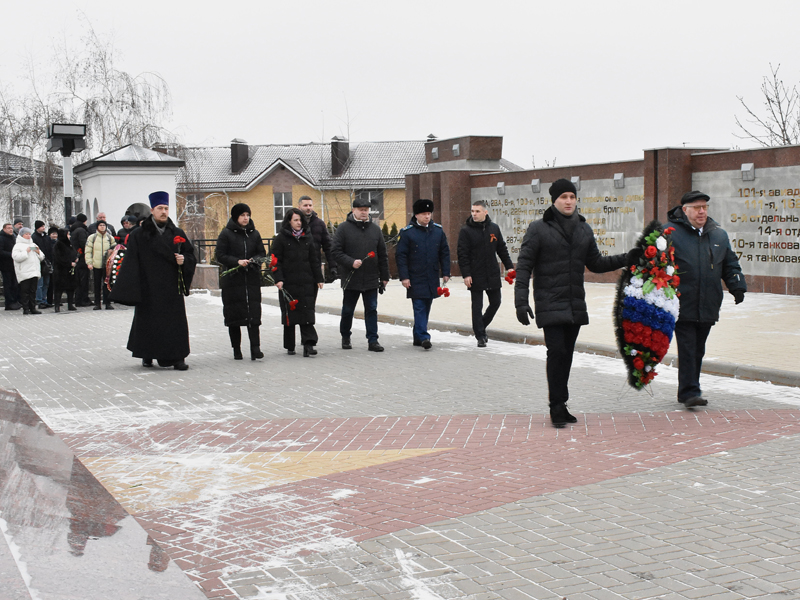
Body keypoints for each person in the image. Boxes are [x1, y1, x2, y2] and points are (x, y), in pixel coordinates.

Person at [514, 179, 639, 428]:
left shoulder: (583, 229)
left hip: (574, 303)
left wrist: (627, 258)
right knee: (557, 351)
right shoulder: (538, 229)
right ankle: (556, 407)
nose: (569, 201)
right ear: (554, 201)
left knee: (567, 355)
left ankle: (561, 403)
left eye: (572, 196)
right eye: (563, 197)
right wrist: (520, 301)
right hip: (549, 301)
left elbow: (596, 263)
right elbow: (525, 266)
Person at [668, 190, 746, 408]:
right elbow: (655, 267)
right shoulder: (669, 233)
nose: (702, 211)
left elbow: (729, 263)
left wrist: (737, 285)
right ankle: (690, 392)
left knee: (698, 348)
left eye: (704, 207)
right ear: (685, 210)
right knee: (688, 347)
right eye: (696, 208)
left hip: (708, 302)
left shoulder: (718, 235)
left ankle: (688, 390)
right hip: (681, 302)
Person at [110, 191, 197, 370]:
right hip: (149, 286)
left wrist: (184, 260)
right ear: (152, 210)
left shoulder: (177, 232)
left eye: (166, 208)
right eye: (160, 208)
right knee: (150, 322)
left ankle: (177, 357)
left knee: (174, 323)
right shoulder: (139, 235)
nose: (164, 212)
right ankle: (147, 353)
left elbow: (190, 255)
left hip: (171, 287)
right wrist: (131, 289)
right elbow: (131, 262)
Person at [331, 197, 390, 352]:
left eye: (366, 210)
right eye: (361, 210)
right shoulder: (343, 228)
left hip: (371, 278)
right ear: (354, 210)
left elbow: (382, 254)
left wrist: (384, 276)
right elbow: (335, 251)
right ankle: (345, 336)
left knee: (371, 309)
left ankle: (373, 340)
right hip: (352, 277)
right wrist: (351, 262)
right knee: (348, 310)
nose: (364, 213)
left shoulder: (375, 229)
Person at [457, 200, 514, 347]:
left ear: (485, 212)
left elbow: (501, 248)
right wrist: (466, 274)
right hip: (475, 274)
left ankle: (480, 325)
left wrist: (509, 267)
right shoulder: (466, 230)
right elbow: (462, 255)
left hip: (492, 272)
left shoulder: (494, 228)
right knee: (477, 306)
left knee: (496, 302)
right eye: (473, 211)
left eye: (477, 211)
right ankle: (480, 336)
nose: (474, 214)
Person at [395, 199, 451, 350]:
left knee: (426, 305)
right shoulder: (407, 233)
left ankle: (417, 335)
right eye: (424, 214)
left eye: (429, 214)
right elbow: (401, 256)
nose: (427, 217)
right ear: (417, 215)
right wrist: (404, 277)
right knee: (419, 306)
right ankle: (424, 337)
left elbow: (444, 253)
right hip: (415, 276)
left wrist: (446, 272)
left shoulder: (438, 231)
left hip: (431, 276)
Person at [215, 203, 267, 360]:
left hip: (251, 280)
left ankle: (255, 348)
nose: (246, 218)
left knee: (253, 316)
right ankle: (236, 349)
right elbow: (220, 255)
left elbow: (261, 253)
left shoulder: (254, 234)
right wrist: (236, 261)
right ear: (235, 217)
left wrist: (254, 261)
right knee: (234, 317)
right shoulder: (226, 234)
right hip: (233, 281)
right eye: (243, 215)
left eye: (248, 215)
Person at [271, 208, 324, 357]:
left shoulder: (308, 237)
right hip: (288, 282)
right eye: (295, 220)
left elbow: (314, 259)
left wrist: (319, 278)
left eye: (300, 220)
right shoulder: (281, 238)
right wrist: (278, 278)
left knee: (307, 311)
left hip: (307, 281)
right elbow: (275, 261)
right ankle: (290, 344)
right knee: (290, 313)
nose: (299, 223)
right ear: (289, 221)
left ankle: (309, 343)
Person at [298, 195, 337, 282]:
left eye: (310, 205)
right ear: (299, 207)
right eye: (305, 205)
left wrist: (332, 265)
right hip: (297, 266)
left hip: (314, 265)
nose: (308, 208)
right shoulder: (294, 223)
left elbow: (328, 246)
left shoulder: (319, 223)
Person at [12, 227, 44, 315]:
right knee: (25, 291)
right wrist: (26, 252)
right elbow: (16, 257)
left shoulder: (33, 244)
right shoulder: (17, 246)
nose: (28, 236)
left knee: (33, 291)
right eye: (26, 234)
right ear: (22, 235)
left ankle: (33, 308)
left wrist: (38, 252)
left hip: (34, 271)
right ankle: (25, 308)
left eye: (29, 234)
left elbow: (41, 256)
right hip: (24, 272)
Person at [85, 220, 116, 310]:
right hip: (96, 264)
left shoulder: (110, 238)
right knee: (97, 284)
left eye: (104, 225)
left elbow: (115, 247)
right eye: (100, 225)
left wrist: (112, 251)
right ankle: (97, 303)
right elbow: (88, 251)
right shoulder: (92, 237)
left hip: (107, 265)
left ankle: (107, 302)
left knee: (107, 284)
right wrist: (89, 262)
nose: (102, 227)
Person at [52, 228, 78, 312]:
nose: (69, 236)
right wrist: (68, 263)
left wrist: (75, 258)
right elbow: (58, 258)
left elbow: (73, 252)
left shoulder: (69, 244)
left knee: (70, 288)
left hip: (70, 270)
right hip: (60, 270)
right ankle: (57, 305)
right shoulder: (58, 245)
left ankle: (70, 304)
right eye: (68, 234)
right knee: (59, 289)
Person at [70, 213, 91, 306]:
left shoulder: (74, 229)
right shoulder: (81, 230)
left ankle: (79, 299)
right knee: (83, 280)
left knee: (78, 280)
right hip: (82, 258)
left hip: (77, 257)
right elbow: (84, 244)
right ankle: (83, 299)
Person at [32, 221, 54, 309]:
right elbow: (34, 248)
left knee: (46, 283)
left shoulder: (46, 237)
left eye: (44, 226)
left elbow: (50, 248)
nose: (43, 228)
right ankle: (39, 300)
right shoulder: (34, 237)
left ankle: (44, 300)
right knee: (40, 283)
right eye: (41, 226)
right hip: (39, 262)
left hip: (47, 262)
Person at [1, 223, 22, 310]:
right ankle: (9, 303)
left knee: (14, 284)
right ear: (4, 229)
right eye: (8, 228)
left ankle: (15, 301)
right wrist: (12, 254)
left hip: (14, 265)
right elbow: (1, 252)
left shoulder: (13, 237)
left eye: (11, 228)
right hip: (5, 265)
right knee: (8, 285)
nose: (11, 230)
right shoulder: (1, 238)